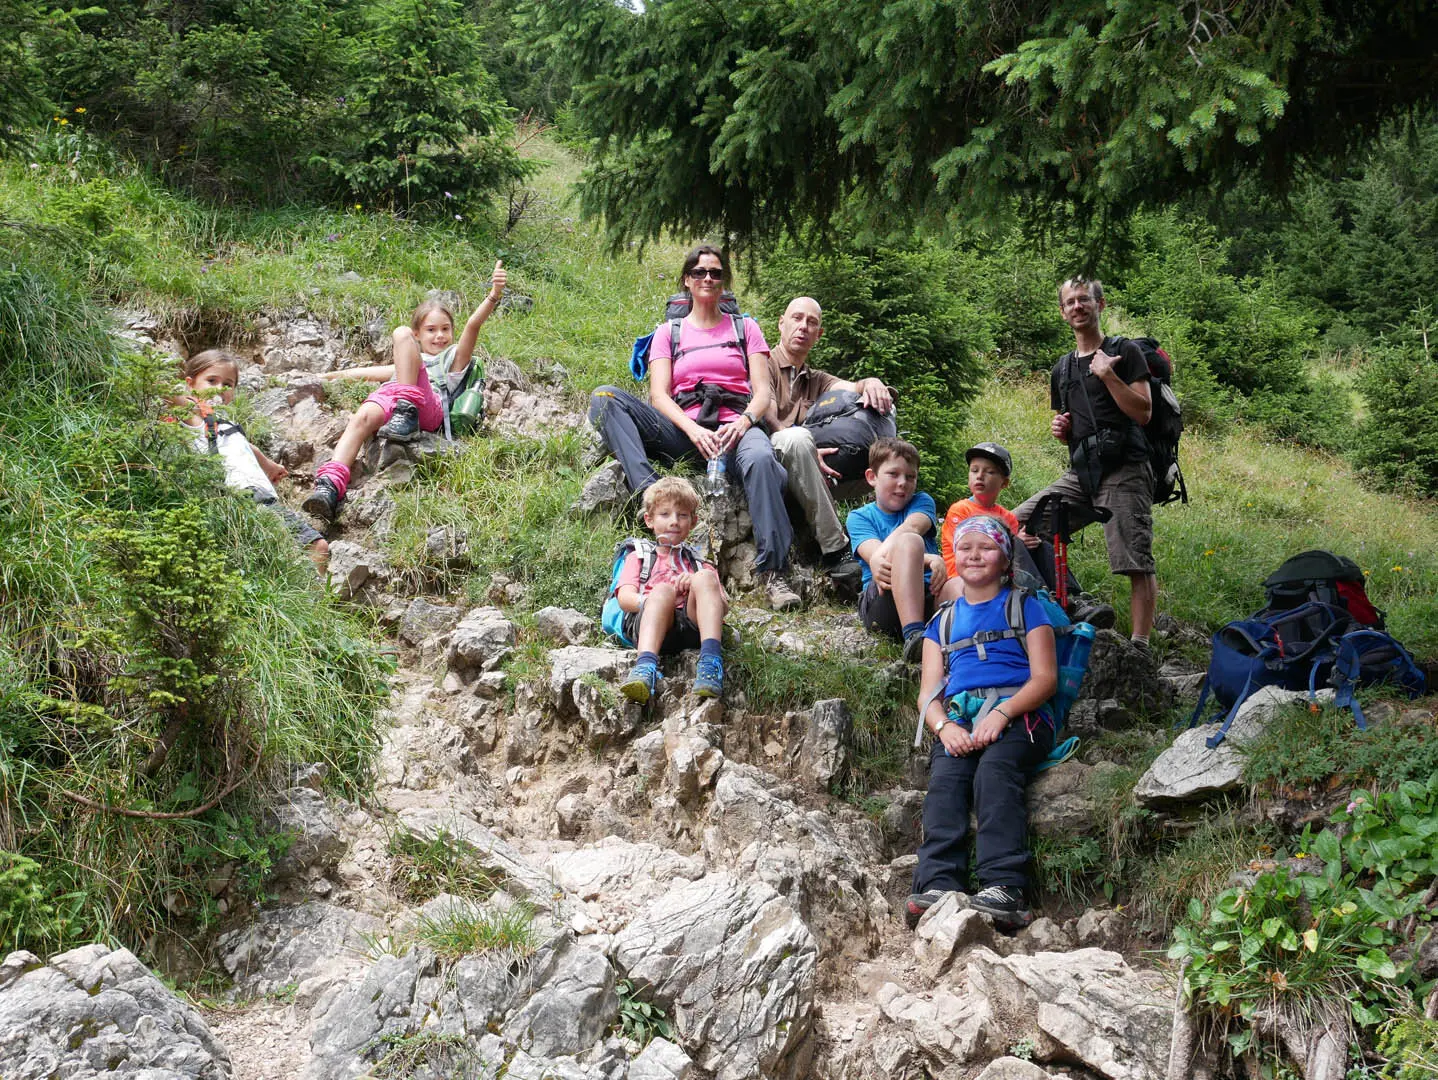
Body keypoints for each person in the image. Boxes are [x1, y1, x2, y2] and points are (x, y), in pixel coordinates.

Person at [588, 245, 799, 610]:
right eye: (699, 272)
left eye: (715, 273)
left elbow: (763, 391)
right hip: (684, 430)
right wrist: (692, 429)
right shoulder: (667, 332)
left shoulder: (745, 327)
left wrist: (746, 421)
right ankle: (650, 492)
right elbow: (658, 395)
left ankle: (775, 573)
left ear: (724, 282)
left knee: (762, 458)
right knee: (604, 398)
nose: (707, 278)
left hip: (736, 428)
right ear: (687, 280)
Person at [906, 516, 1057, 931]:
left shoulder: (1027, 606)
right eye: (965, 547)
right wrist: (943, 728)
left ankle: (1005, 885)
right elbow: (928, 695)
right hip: (958, 720)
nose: (974, 555)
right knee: (947, 782)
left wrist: (1003, 713)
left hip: (1021, 717)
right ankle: (937, 883)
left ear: (1006, 558)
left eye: (986, 547)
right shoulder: (941, 621)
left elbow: (1045, 678)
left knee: (994, 773)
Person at [301, 261, 506, 521]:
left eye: (445, 329)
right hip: (393, 399)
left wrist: (494, 295)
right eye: (431, 330)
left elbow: (473, 325)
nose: (440, 336)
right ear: (418, 335)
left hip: (425, 408)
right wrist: (328, 376)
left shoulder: (454, 360)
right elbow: (369, 372)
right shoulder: (410, 358)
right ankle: (329, 486)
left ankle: (406, 411)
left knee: (399, 332)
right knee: (362, 418)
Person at [1014, 277, 1157, 647]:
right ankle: (1068, 606)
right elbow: (1073, 422)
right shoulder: (1062, 369)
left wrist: (1108, 374)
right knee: (1018, 524)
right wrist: (1062, 428)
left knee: (1134, 559)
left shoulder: (1124, 352)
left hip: (1125, 467)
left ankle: (1140, 643)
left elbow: (1143, 412)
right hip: (1082, 471)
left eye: (1084, 300)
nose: (1077, 307)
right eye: (1070, 302)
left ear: (1100, 305)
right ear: (1062, 313)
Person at [763, 296, 895, 593]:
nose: (803, 327)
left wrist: (870, 382)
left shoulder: (816, 379)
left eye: (812, 322)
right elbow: (766, 412)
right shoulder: (763, 363)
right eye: (797, 318)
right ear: (781, 324)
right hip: (764, 458)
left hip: (805, 463)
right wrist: (807, 449)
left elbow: (850, 389)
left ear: (819, 334)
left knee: (882, 457)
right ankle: (836, 552)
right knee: (796, 438)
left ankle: (886, 555)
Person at [179, 350, 329, 574]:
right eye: (211, 380)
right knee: (316, 547)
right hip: (244, 498)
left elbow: (241, 444)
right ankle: (314, 603)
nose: (220, 389)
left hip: (260, 499)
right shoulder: (195, 416)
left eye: (228, 384)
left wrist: (267, 464)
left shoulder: (223, 424)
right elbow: (169, 395)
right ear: (190, 384)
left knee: (273, 564)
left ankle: (302, 601)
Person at [941, 442, 1115, 628]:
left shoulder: (1007, 517)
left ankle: (1073, 599)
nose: (980, 476)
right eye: (974, 470)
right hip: (968, 574)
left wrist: (1029, 542)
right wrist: (1012, 541)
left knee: (1042, 545)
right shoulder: (960, 510)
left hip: (1002, 573)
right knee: (1017, 542)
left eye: (990, 472)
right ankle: (1044, 600)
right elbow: (966, 550)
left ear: (1004, 483)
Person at [612, 477, 730, 703]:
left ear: (693, 522)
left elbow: (723, 607)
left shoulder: (698, 563)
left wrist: (695, 581)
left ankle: (710, 662)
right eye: (665, 514)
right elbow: (625, 598)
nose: (674, 521)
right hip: (653, 626)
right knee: (663, 591)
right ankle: (645, 667)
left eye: (682, 515)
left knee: (704, 578)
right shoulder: (640, 557)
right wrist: (654, 599)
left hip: (692, 627)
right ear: (649, 520)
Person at [847, 438, 947, 663]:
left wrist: (885, 557)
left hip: (929, 596)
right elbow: (880, 558)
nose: (903, 482)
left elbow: (912, 526)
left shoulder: (922, 502)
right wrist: (930, 558)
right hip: (884, 600)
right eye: (893, 474)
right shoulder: (859, 517)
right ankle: (914, 638)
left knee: (958, 585)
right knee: (909, 543)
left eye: (910, 477)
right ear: (872, 477)